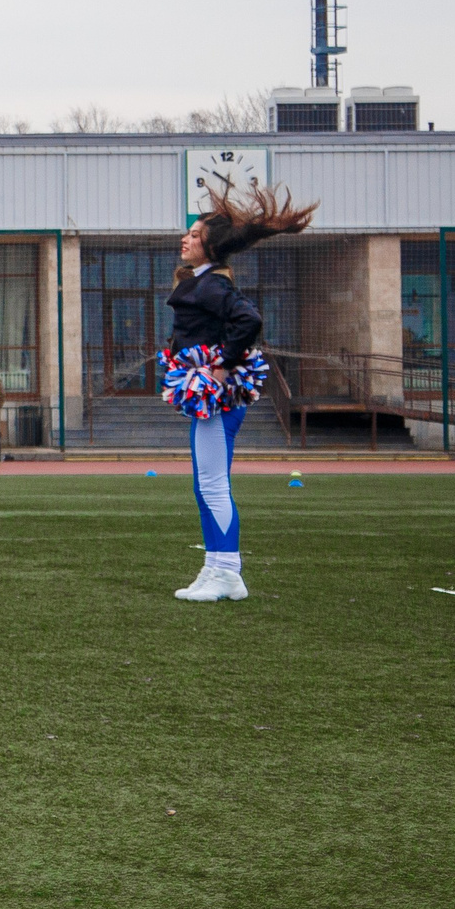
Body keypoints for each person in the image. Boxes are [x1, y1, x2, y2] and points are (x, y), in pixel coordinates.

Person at [169, 184, 315, 603]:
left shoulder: (212, 284)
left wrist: (221, 365)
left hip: (219, 395)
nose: (187, 238)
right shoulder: (201, 281)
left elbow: (248, 319)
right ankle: (215, 567)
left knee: (212, 484)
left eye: (195, 235)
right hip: (211, 394)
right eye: (189, 232)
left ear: (210, 246)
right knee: (205, 485)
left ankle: (228, 571)